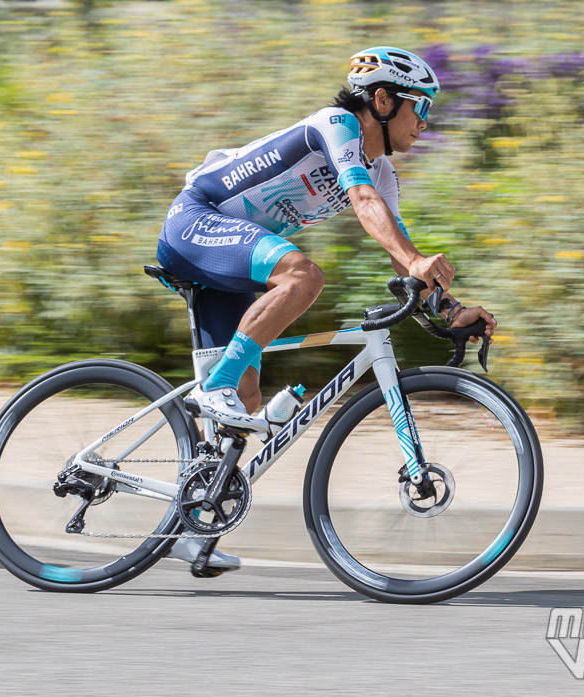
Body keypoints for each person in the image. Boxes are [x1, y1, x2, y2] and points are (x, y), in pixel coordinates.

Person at [159, 47, 497, 572]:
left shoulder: (383, 173)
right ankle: (213, 386)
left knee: (244, 400)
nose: (425, 125)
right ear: (382, 100)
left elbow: (398, 244)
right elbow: (364, 206)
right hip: (194, 223)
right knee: (303, 276)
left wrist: (449, 308)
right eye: (421, 110)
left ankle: (194, 524)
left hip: (230, 257)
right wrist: (415, 261)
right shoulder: (334, 125)